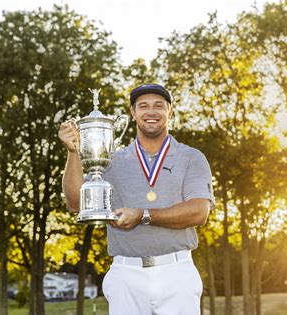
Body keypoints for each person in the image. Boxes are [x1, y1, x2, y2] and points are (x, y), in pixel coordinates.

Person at [59, 83, 215, 315]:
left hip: (177, 272)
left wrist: (144, 215)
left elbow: (199, 212)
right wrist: (73, 153)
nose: (151, 112)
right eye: (143, 106)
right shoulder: (111, 160)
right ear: (133, 113)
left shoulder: (191, 157)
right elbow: (75, 204)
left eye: (158, 106)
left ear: (169, 111)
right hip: (126, 274)